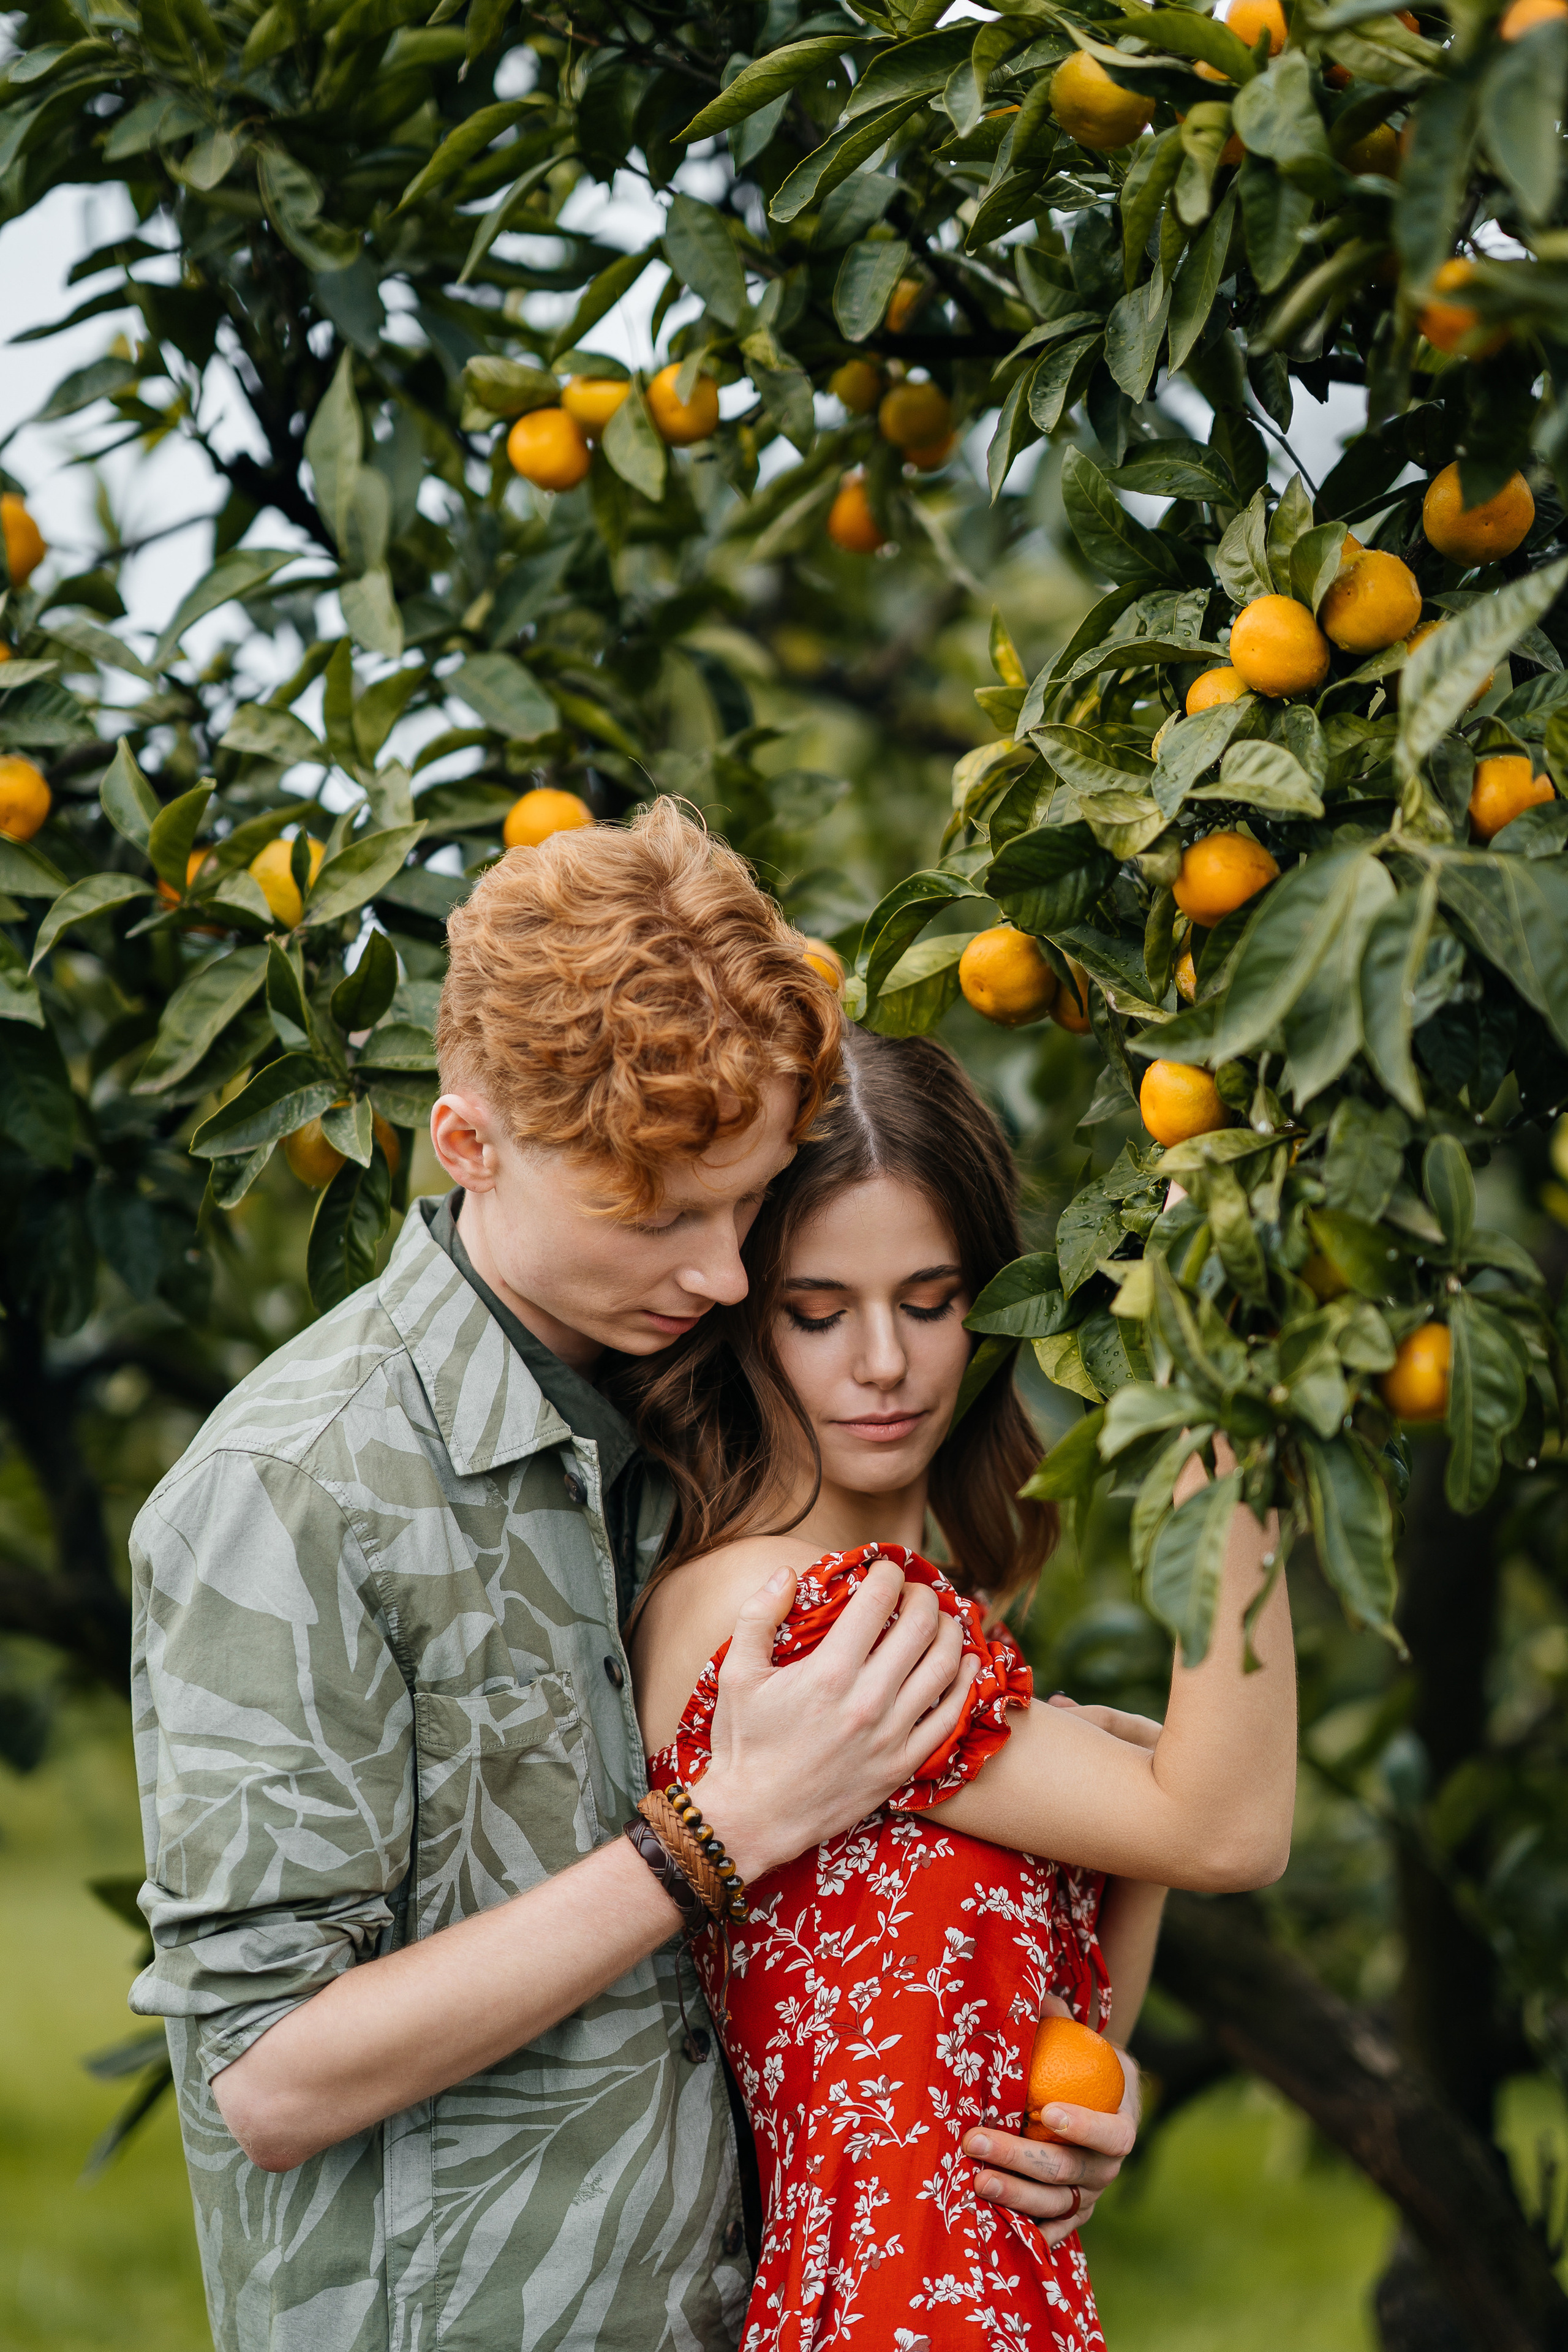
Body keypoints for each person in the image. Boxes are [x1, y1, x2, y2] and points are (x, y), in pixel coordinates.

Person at [127, 801, 1135, 2352]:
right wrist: (711, 1839)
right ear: (468, 1141)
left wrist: (1049, 2091)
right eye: (659, 1215)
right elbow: (270, 2081)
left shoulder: (690, 1416)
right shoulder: (294, 1493)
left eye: (742, 1205)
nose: (725, 1270)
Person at [626, 1025, 1297, 2350]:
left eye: (928, 1302)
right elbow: (1231, 1829)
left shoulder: (912, 1614)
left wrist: (1092, 2106)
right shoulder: (809, 1617)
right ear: (739, 1320)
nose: (881, 1363)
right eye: (815, 1315)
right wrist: (1220, 1380)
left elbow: (1054, 2040)